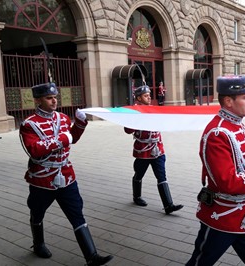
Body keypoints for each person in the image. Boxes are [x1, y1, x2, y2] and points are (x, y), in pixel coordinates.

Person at [19, 82, 113, 265]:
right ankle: (38, 244)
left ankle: (91, 256)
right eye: (49, 98)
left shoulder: (62, 118)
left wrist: (79, 124)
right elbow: (35, 150)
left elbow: (73, 138)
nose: (54, 101)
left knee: (76, 213)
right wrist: (64, 138)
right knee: (37, 212)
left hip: (66, 174)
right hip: (42, 179)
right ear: (38, 100)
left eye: (55, 97)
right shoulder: (29, 124)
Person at [186, 75, 245, 266]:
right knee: (200, 262)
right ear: (228, 101)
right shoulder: (217, 133)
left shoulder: (236, 124)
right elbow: (227, 181)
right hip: (222, 217)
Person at [125, 85, 183, 214]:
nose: (149, 97)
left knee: (161, 176)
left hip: (157, 149)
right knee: (139, 174)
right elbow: (127, 130)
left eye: (149, 95)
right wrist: (137, 119)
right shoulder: (134, 111)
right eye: (146, 95)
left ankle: (168, 205)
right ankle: (137, 196)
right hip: (143, 151)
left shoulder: (153, 109)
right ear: (139, 98)